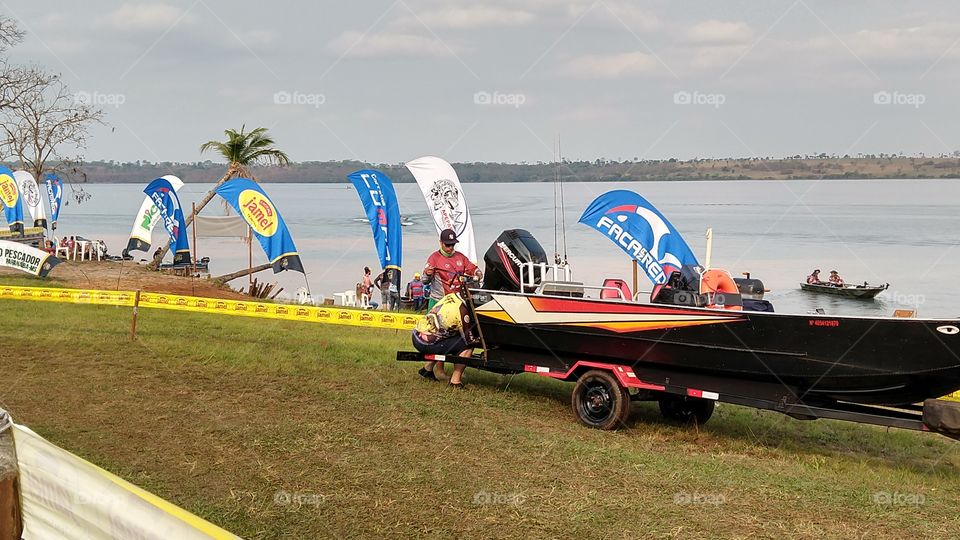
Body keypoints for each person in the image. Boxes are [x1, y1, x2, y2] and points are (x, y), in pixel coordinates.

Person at [413, 292, 478, 388]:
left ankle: (427, 369)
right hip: (427, 343)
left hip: (417, 336)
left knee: (445, 336)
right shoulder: (462, 311)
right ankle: (455, 382)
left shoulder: (451, 296)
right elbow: (468, 339)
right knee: (467, 346)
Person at [423, 229, 482, 310]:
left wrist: (478, 272)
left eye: (452, 245)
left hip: (457, 301)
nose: (450, 248)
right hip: (439, 301)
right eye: (447, 245)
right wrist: (428, 274)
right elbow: (425, 281)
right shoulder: (434, 258)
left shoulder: (460, 257)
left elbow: (472, 268)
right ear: (441, 243)